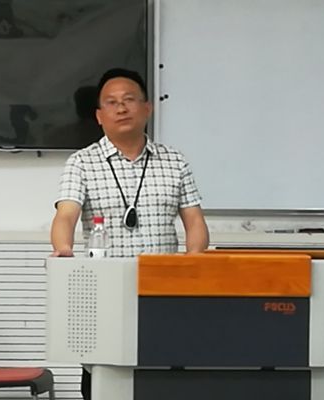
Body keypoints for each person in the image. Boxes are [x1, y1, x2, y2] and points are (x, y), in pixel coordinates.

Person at [49, 68, 210, 399]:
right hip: (106, 292)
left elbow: (194, 221)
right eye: (111, 102)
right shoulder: (82, 163)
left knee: (165, 378)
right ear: (99, 116)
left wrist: (194, 264)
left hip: (165, 292)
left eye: (129, 100)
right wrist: (63, 248)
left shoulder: (175, 161)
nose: (121, 108)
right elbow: (66, 214)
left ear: (147, 108)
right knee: (104, 378)